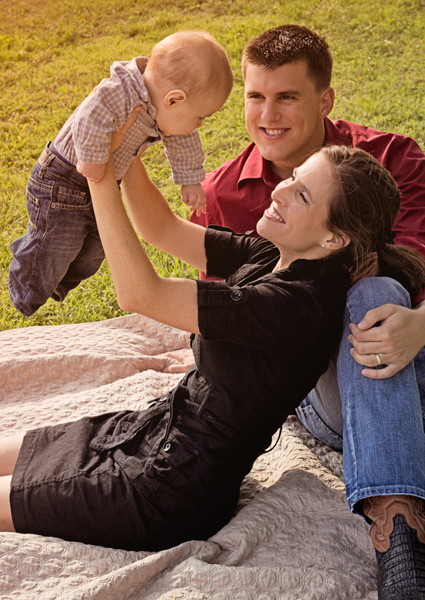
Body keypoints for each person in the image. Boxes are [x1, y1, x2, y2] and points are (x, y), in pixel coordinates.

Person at [2, 146, 422, 567]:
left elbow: (138, 292)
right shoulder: (277, 256)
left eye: (303, 195)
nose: (280, 191)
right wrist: (123, 153)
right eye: (293, 177)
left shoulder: (298, 305)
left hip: (163, 490)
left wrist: (98, 180)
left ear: (333, 237)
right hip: (144, 431)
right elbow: (161, 228)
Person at [186, 24, 425, 599]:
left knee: (380, 293)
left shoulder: (392, 159)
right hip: (322, 389)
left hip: (415, 359)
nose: (268, 115)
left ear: (325, 100)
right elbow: (224, 321)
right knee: (367, 295)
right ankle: (399, 530)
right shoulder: (225, 194)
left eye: (287, 96)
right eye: (255, 96)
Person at [9, 30, 233, 317]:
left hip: (102, 179)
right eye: (201, 117)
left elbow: (183, 138)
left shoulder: (166, 107)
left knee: (98, 250)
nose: (199, 125)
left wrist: (190, 179)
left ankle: (57, 281)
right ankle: (24, 287)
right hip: (62, 179)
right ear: (174, 100)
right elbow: (88, 117)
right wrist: (92, 162)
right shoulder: (121, 90)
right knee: (57, 242)